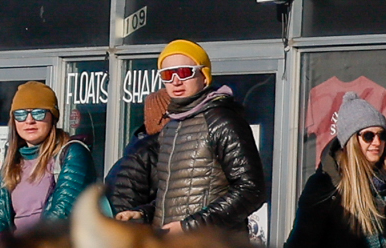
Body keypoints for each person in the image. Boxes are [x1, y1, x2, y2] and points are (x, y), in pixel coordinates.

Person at [102, 39, 266, 235]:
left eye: (184, 72)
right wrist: (142, 214)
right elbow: (174, 198)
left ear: (204, 76)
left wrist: (190, 226)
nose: (176, 81)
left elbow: (251, 190)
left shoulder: (222, 120)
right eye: (167, 75)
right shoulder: (171, 127)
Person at [286, 93, 386, 248]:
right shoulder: (326, 186)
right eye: (368, 135)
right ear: (350, 139)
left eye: (382, 135)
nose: (377, 142)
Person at [0, 82, 93, 246]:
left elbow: (62, 212)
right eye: (20, 114)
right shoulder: (12, 159)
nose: (29, 120)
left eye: (38, 113)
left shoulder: (72, 153)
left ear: (52, 117)